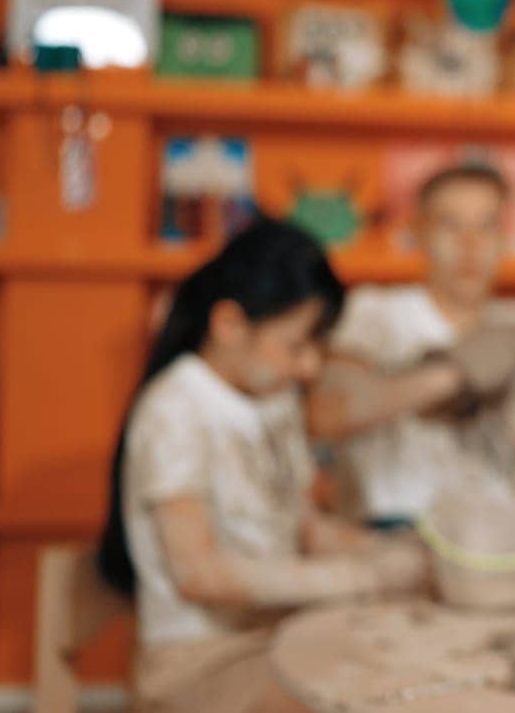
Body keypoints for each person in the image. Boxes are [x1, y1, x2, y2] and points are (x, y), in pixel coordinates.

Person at [96, 216, 431, 713]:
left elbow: (304, 528)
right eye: (296, 345)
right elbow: (201, 575)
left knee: (419, 667)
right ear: (229, 324)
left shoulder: (271, 397)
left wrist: (395, 550)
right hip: (194, 663)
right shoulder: (175, 410)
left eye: (317, 347)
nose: (310, 367)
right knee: (369, 692)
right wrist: (357, 580)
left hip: (276, 638)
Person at [306, 160, 515, 531]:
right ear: (418, 231)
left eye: (487, 226)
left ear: (505, 238)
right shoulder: (375, 314)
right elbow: (326, 414)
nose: (470, 244)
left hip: (494, 544)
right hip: (391, 533)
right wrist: (453, 376)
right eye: (450, 224)